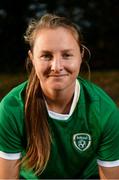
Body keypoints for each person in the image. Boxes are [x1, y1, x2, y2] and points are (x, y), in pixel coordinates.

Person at [0, 13, 119, 179]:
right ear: (32, 58)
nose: (56, 66)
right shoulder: (12, 108)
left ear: (81, 55)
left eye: (67, 55)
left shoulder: (105, 112)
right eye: (46, 56)